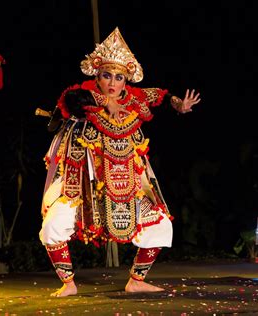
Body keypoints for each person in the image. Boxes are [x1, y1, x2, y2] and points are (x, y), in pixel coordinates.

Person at [39, 27, 201, 297]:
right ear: (97, 75)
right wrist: (104, 102)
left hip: (127, 182)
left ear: (126, 80)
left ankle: (136, 280)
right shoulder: (84, 94)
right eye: (106, 76)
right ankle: (68, 284)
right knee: (54, 225)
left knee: (161, 224)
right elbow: (71, 99)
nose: (112, 83)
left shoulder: (134, 99)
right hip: (83, 185)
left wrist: (177, 104)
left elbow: (160, 94)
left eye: (118, 77)